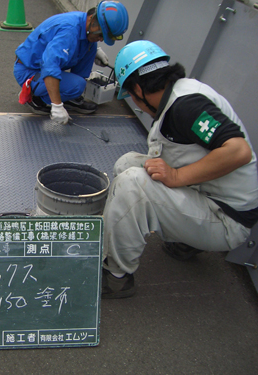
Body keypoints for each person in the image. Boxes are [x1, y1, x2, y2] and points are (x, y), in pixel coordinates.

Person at [101, 40, 258, 298]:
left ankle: (117, 277)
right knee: (127, 163)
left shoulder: (185, 107)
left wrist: (176, 176)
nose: (135, 103)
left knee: (132, 186)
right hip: (211, 195)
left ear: (139, 88)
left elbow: (238, 151)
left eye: (130, 95)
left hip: (227, 219)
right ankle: (185, 242)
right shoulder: (180, 93)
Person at [13, 1, 129, 125]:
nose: (101, 39)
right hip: (29, 70)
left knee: (91, 46)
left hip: (42, 65)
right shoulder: (69, 31)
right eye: (101, 35)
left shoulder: (84, 25)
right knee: (77, 85)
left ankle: (69, 97)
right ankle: (36, 97)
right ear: (93, 19)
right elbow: (49, 66)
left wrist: (93, 51)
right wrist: (57, 106)